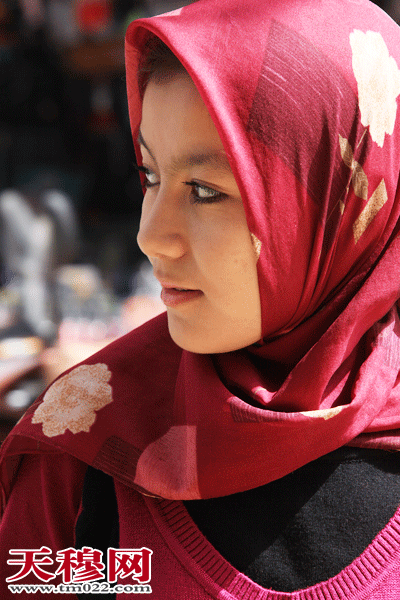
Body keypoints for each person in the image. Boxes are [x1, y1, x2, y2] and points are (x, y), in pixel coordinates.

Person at [1, 0, 400, 597]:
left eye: (205, 191)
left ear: (338, 206)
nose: (150, 235)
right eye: (150, 175)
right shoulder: (87, 460)